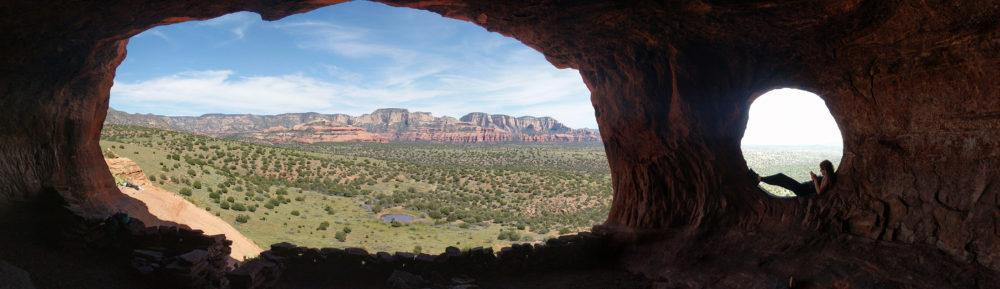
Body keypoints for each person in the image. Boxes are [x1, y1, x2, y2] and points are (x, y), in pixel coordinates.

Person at [750, 160, 835, 197]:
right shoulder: (825, 177)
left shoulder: (827, 179)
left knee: (781, 177)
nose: (821, 171)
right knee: (781, 180)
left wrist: (815, 180)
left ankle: (759, 178)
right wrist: (815, 178)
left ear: (826, 170)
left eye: (822, 169)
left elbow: (819, 192)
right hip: (802, 187)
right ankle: (759, 178)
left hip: (802, 190)